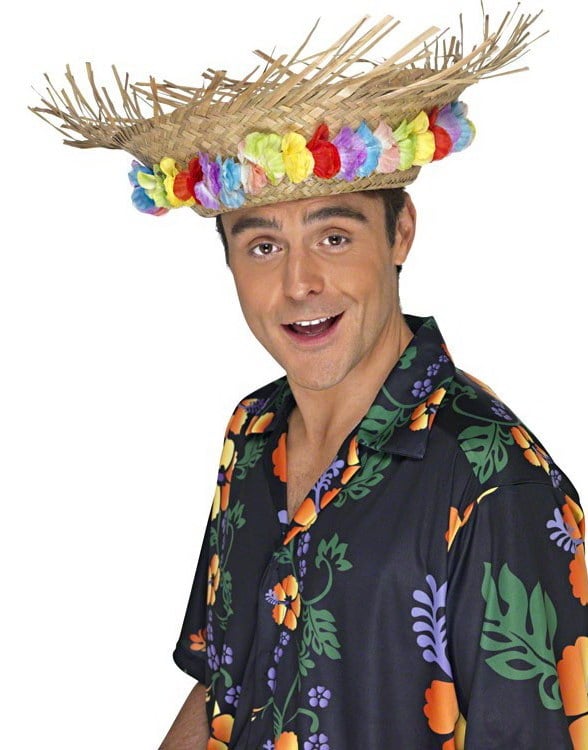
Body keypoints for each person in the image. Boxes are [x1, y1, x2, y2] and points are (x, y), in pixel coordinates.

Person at [31, 11, 588, 749]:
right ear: (229, 261)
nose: (300, 283)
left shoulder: (493, 480)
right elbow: (226, 681)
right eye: (263, 245)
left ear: (400, 233)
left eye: (334, 236)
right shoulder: (253, 431)